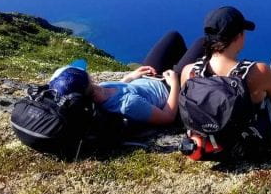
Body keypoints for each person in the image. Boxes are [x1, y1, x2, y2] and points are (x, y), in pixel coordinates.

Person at [180, 6, 271, 130]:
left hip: (205, 145)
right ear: (238, 36)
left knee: (266, 84)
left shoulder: (189, 71)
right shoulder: (256, 71)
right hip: (243, 142)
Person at [48, 29, 206, 126]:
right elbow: (167, 118)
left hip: (148, 80)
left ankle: (191, 74)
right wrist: (176, 84)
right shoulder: (128, 105)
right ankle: (200, 85)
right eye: (84, 72)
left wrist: (131, 77)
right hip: (168, 90)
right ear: (87, 81)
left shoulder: (97, 92)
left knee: (173, 37)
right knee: (203, 43)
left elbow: (119, 89)